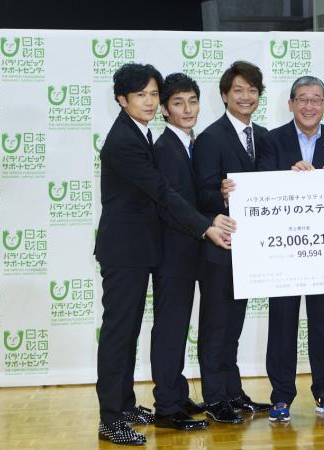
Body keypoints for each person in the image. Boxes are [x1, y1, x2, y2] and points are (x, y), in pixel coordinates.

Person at [94, 63, 227, 445]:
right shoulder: (124, 141)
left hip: (139, 250)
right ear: (122, 100)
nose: (150, 102)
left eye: (153, 94)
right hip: (125, 251)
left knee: (129, 330)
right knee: (119, 333)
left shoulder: (140, 133)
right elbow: (163, 193)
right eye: (142, 96)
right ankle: (110, 419)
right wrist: (205, 226)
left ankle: (124, 404)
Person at [256, 75, 324, 422]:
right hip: (284, 251)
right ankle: (281, 396)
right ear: (291, 103)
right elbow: (261, 186)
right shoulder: (271, 139)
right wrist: (287, 175)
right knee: (282, 323)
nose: (309, 106)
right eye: (302, 99)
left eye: (316, 99)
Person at [192, 61, 271, 425]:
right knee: (215, 325)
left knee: (233, 325)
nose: (245, 96)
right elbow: (198, 195)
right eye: (238, 90)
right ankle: (215, 397)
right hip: (219, 248)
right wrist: (221, 195)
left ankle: (233, 391)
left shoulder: (265, 136)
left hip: (251, 251)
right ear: (224, 95)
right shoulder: (210, 138)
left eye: (252, 90)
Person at [148, 72, 209, 432]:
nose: (187, 109)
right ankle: (167, 406)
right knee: (170, 329)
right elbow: (172, 205)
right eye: (177, 103)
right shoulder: (165, 148)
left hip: (191, 250)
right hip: (173, 253)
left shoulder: (189, 142)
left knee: (177, 327)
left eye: (192, 101)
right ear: (165, 111)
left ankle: (177, 391)